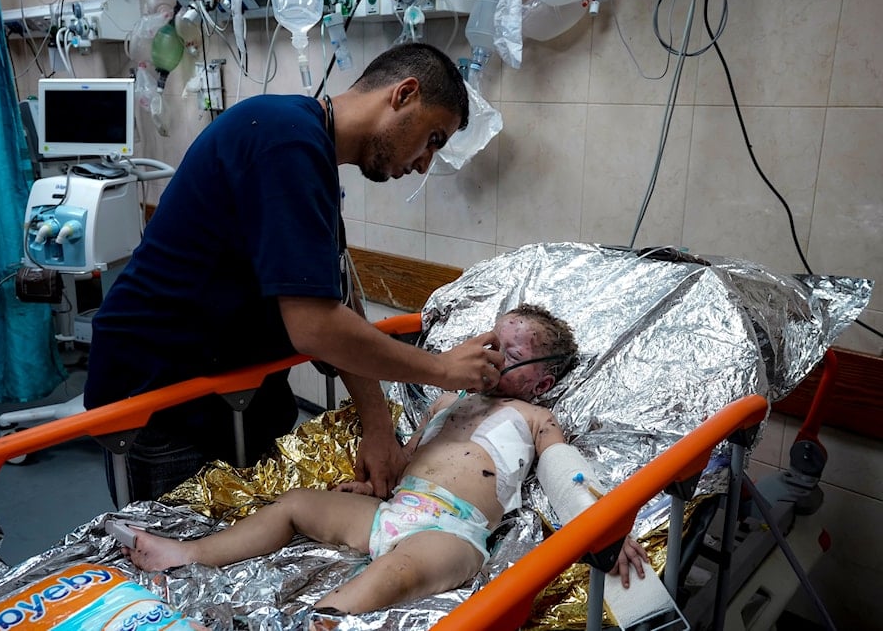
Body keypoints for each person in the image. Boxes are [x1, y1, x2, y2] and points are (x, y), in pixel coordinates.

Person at [84, 42, 505, 505]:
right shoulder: (284, 140)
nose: (425, 162)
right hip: (163, 398)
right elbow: (316, 327)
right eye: (434, 139)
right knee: (181, 561)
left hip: (238, 393)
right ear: (403, 94)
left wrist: (379, 426)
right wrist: (442, 371)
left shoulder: (308, 151)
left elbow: (339, 299)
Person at [121, 304, 649, 618]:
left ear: (543, 380)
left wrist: (597, 521)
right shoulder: (451, 399)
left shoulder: (531, 415)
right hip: (395, 508)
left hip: (451, 531)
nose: (491, 356)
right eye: (491, 342)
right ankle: (191, 554)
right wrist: (380, 484)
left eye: (509, 355)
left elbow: (565, 472)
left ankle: (328, 617)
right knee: (294, 504)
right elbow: (410, 455)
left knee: (398, 569)